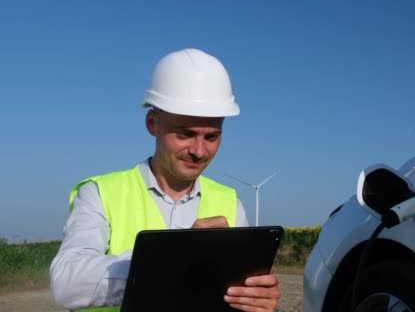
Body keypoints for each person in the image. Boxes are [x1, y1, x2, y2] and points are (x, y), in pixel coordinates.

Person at [50, 48, 281, 311]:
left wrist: (255, 300)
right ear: (152, 123)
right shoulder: (100, 193)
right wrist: (169, 261)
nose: (199, 151)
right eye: (185, 134)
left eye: (212, 137)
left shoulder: (229, 202)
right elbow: (66, 284)